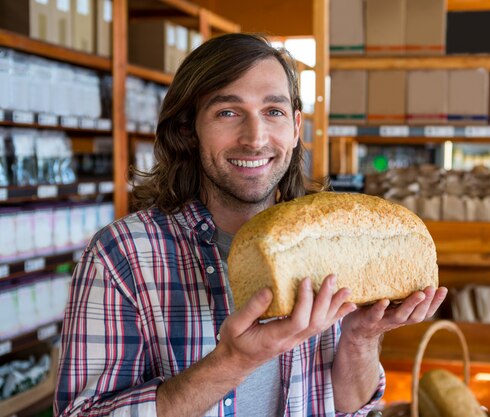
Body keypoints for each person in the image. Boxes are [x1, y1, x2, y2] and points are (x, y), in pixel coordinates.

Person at [54, 33, 448, 417]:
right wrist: (234, 361)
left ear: (295, 128)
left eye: (273, 112)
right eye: (228, 112)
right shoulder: (121, 256)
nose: (255, 138)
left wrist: (362, 338)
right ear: (190, 130)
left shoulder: (328, 245)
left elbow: (348, 407)